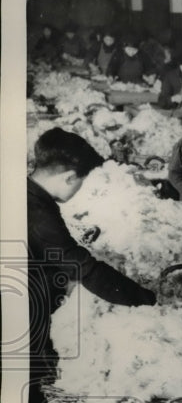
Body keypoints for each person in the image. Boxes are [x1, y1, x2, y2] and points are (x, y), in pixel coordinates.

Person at [27, 128, 156, 379]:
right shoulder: (38, 212)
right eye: (81, 182)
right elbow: (84, 268)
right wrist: (145, 300)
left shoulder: (29, 193)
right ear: (69, 178)